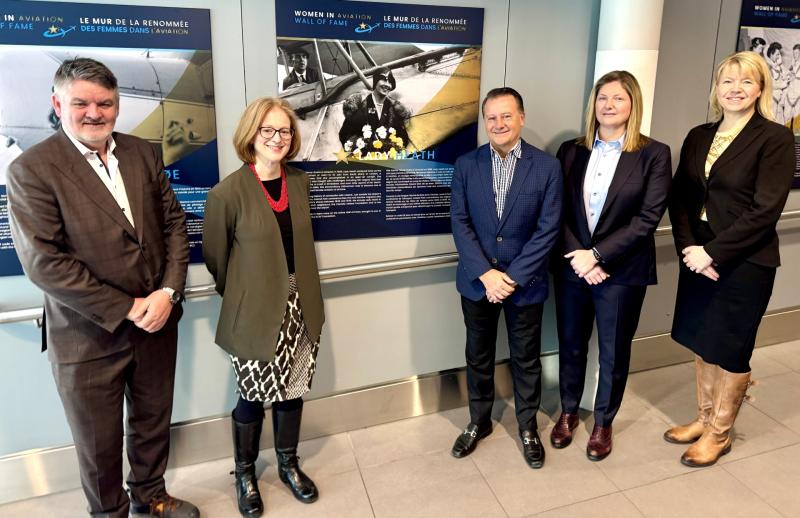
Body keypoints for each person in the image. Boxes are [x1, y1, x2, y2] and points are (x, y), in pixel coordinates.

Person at [6, 58, 196, 517]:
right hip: (88, 334)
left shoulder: (141, 152)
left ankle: (151, 497)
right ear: (57, 104)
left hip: (157, 320)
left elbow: (173, 224)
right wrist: (131, 307)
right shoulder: (32, 169)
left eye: (105, 103)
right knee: (98, 442)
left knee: (153, 421)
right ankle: (109, 513)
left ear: (117, 105)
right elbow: (45, 264)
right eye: (81, 103)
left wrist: (168, 293)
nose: (95, 113)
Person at [666, 51, 794, 467]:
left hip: (745, 260)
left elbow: (765, 210)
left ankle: (719, 435)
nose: (735, 90)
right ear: (716, 88)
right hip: (697, 252)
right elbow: (681, 197)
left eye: (745, 82)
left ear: (760, 89)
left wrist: (713, 252)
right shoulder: (699, 135)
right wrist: (690, 248)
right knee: (704, 340)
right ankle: (704, 418)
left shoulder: (774, 138)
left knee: (733, 347)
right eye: (727, 81)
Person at [203, 97, 324, 515]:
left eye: (284, 131)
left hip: (301, 304)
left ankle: (289, 464)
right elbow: (216, 261)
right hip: (253, 309)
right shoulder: (227, 194)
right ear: (251, 135)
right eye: (267, 130)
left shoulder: (300, 183)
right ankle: (245, 473)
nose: (277, 138)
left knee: (293, 388)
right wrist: (245, 293)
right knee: (252, 395)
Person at [551, 71, 672, 461]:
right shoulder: (571, 150)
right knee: (570, 345)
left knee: (614, 351)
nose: (608, 105)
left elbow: (648, 218)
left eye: (618, 98)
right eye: (602, 97)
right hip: (573, 267)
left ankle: (603, 422)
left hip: (622, 271)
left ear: (632, 104)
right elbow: (558, 211)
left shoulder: (654, 153)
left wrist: (598, 256)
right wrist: (580, 257)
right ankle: (569, 411)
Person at [449, 87, 563, 469]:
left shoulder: (547, 167)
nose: (498, 124)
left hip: (523, 284)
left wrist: (509, 278)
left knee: (526, 360)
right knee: (477, 356)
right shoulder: (467, 165)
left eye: (506, 116)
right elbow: (460, 223)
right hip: (477, 282)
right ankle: (478, 422)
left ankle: (528, 426)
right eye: (491, 117)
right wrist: (485, 274)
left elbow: (548, 230)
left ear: (521, 118)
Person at [338, 67, 411, 155]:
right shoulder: (361, 107)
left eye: (389, 82)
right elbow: (344, 134)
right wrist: (361, 146)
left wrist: (392, 147)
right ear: (375, 81)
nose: (387, 85)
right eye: (383, 80)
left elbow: (403, 138)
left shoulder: (393, 110)